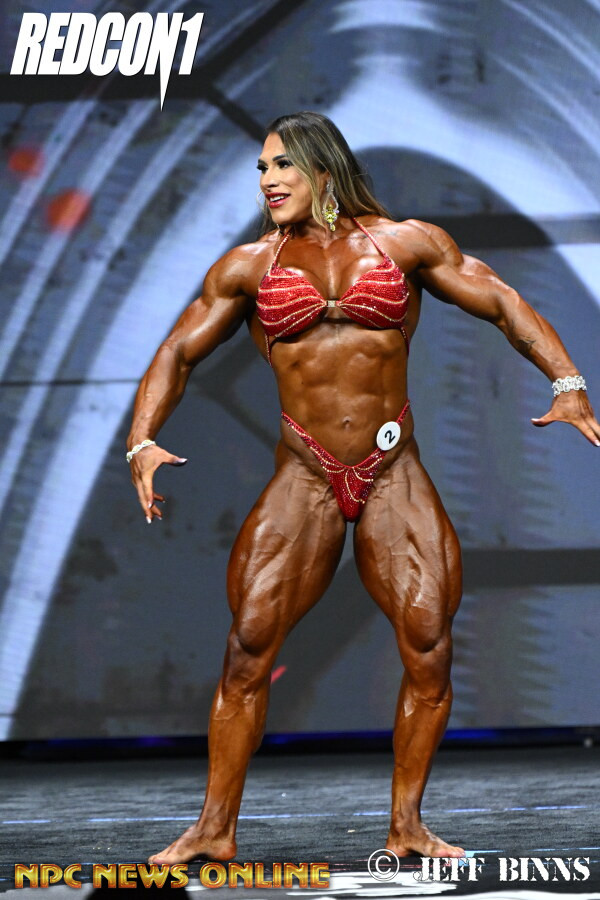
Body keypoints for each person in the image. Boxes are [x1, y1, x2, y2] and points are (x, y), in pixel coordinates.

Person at [126, 111, 599, 863]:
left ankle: (407, 826)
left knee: (429, 647)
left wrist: (567, 383)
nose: (267, 179)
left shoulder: (406, 243)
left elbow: (503, 301)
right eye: (260, 168)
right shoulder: (248, 266)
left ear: (322, 168)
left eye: (281, 164)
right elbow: (178, 352)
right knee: (248, 649)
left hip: (392, 471)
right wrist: (142, 438)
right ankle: (213, 829)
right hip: (305, 473)